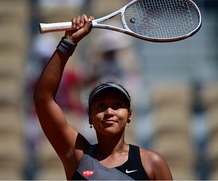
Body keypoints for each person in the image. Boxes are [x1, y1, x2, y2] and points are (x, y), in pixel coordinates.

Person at [33, 14, 173, 180]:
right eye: (101, 106)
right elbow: (43, 99)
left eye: (116, 105)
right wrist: (68, 42)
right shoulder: (77, 156)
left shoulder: (151, 163)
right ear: (90, 117)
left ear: (129, 115)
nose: (109, 111)